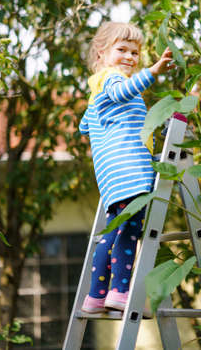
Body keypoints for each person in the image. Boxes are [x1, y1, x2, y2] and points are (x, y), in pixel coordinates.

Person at [79, 21, 174, 314]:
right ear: (100, 54)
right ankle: (119, 291)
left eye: (135, 52)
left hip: (113, 175)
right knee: (129, 231)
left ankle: (96, 296)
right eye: (122, 49)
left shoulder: (97, 91)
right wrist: (153, 72)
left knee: (115, 231)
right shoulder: (113, 80)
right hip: (129, 170)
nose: (130, 57)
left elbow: (85, 125)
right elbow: (123, 92)